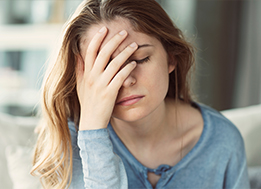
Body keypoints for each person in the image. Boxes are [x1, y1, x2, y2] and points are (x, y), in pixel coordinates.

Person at [31, 0, 250, 188]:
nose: (126, 80)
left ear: (171, 58)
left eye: (141, 59)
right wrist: (92, 134)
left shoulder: (223, 142)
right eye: (106, 67)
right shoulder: (66, 143)